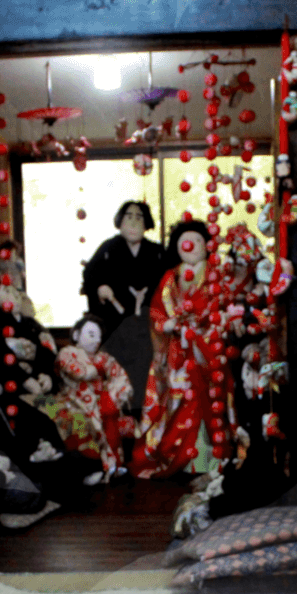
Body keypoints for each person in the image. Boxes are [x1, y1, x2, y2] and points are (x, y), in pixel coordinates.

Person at [130, 220, 244, 480]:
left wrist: (217, 323)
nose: (190, 247)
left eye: (196, 241)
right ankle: (179, 458)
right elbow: (157, 310)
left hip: (209, 345)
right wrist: (167, 323)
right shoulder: (171, 278)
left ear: (206, 246)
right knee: (179, 399)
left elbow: (226, 303)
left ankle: (212, 459)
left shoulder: (215, 273)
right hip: (179, 350)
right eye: (184, 242)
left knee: (212, 397)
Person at [42, 315, 133, 481]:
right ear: (76, 335)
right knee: (82, 422)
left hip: (99, 400)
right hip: (73, 400)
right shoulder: (67, 353)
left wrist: (113, 393)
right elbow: (80, 372)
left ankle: (114, 465)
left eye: (99, 337)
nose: (96, 341)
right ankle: (91, 470)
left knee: (110, 417)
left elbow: (119, 375)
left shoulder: (102, 357)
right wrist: (96, 368)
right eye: (91, 335)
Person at [81, 200, 167, 340]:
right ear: (120, 222)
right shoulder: (108, 248)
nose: (133, 223)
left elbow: (169, 282)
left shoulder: (157, 252)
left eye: (139, 218)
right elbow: (90, 273)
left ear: (146, 224)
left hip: (149, 324)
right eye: (129, 217)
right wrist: (98, 288)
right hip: (114, 323)